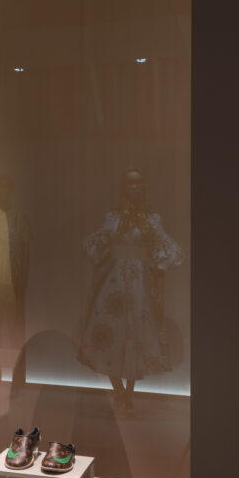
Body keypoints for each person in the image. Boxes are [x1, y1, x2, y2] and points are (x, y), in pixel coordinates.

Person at [77, 169, 182, 407]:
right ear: (123, 187)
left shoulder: (152, 219)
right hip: (114, 283)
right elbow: (98, 246)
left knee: (137, 334)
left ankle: (129, 395)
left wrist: (159, 289)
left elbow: (162, 251)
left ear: (144, 186)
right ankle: (119, 391)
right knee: (110, 333)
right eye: (128, 183)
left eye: (137, 183)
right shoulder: (113, 217)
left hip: (140, 282)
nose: (133, 187)